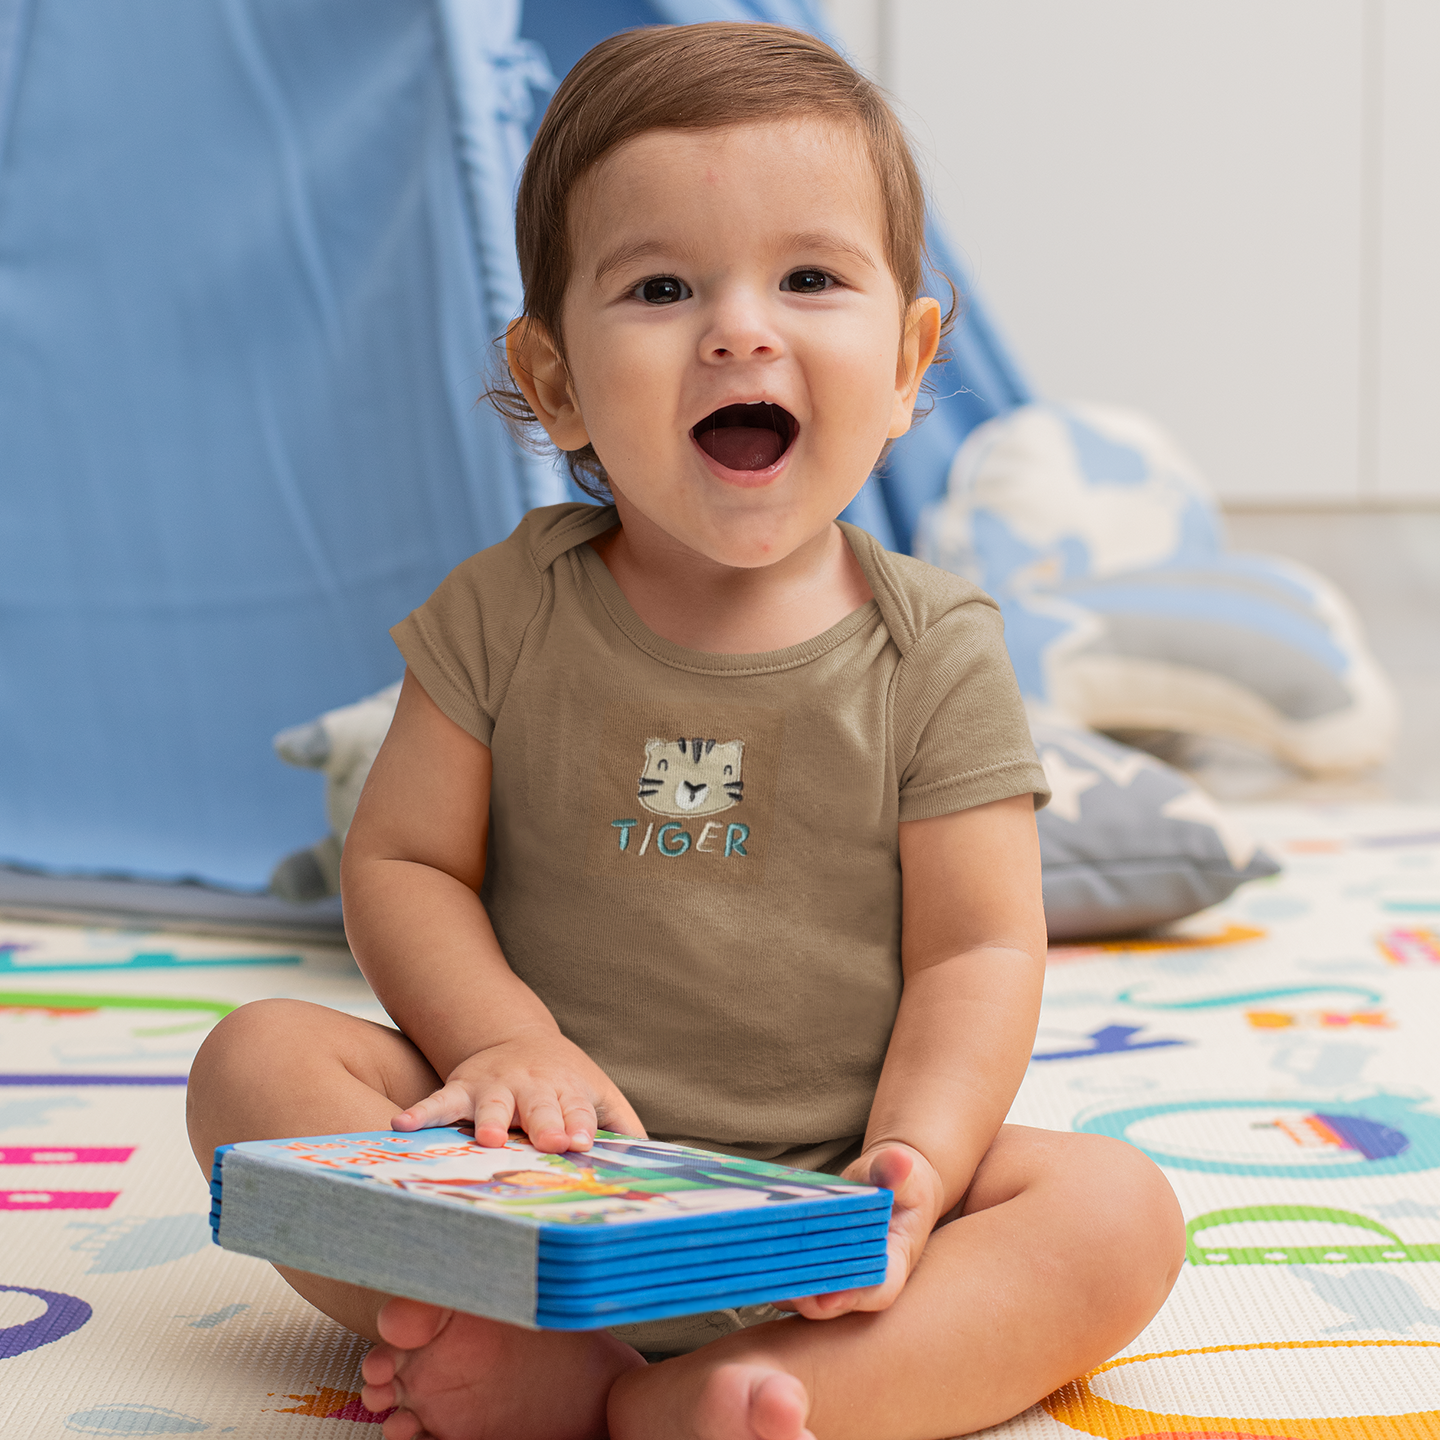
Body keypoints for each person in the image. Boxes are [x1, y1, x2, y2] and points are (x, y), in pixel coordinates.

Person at [187, 22, 1183, 1440]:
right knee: (256, 1062)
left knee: (1114, 1209)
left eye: (809, 279)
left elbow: (979, 947)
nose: (739, 329)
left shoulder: (935, 648)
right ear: (555, 382)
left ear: (909, 361)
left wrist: (916, 1161)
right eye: (661, 287)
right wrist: (505, 1044)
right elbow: (404, 863)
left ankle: (725, 1396)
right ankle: (538, 1337)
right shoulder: (503, 611)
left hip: (825, 1210)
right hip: (532, 1173)